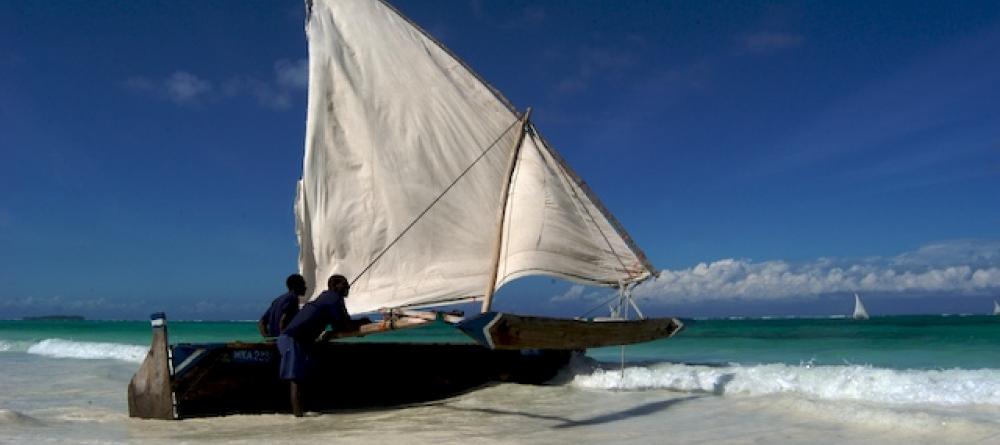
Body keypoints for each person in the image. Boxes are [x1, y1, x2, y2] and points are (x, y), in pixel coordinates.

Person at [277, 274, 369, 416]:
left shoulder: (328, 298)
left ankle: (303, 412)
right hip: (292, 339)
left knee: (304, 375)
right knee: (296, 379)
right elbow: (344, 325)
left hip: (298, 340)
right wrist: (361, 322)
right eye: (345, 284)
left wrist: (358, 322)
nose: (348, 287)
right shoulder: (333, 299)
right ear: (336, 286)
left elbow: (341, 323)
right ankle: (298, 418)